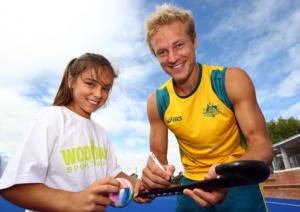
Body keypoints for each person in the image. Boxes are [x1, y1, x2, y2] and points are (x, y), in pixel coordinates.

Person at [141, 4, 273, 212]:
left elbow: (262, 145)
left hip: (237, 180)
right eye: (162, 52)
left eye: (179, 45)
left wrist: (225, 177)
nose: (173, 58)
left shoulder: (231, 80)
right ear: (156, 57)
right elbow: (158, 160)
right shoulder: (157, 102)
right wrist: (153, 174)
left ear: (194, 41)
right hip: (192, 186)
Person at [0, 53, 144, 211]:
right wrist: (74, 201)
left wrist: (143, 185)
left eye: (105, 88)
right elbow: (13, 187)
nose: (98, 94)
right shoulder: (51, 118)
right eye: (90, 83)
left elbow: (115, 175)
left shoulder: (100, 132)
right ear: (71, 80)